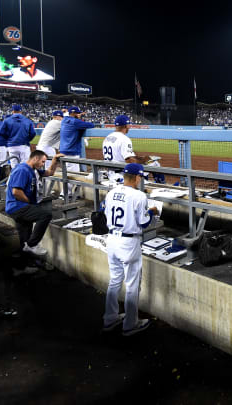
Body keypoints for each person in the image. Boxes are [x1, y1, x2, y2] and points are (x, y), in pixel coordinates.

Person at [102, 163, 159, 336]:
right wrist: (152, 211)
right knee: (132, 285)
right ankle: (130, 324)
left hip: (111, 240)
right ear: (137, 178)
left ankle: (110, 318)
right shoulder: (139, 195)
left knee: (114, 281)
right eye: (141, 177)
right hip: (128, 243)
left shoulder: (111, 192)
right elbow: (143, 222)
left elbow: (101, 211)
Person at [5, 150, 64, 256]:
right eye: (42, 162)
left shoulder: (33, 170)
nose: (43, 164)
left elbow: (49, 172)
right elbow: (16, 192)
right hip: (17, 207)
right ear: (35, 158)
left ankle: (22, 267)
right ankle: (32, 245)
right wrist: (29, 202)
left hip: (20, 207)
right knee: (45, 216)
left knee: (24, 241)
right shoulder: (22, 170)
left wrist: (54, 161)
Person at [60, 106, 95, 197]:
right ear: (74, 114)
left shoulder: (64, 120)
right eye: (78, 113)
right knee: (72, 175)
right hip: (72, 151)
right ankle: (64, 194)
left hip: (64, 150)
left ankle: (68, 193)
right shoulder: (75, 122)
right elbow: (91, 125)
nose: (79, 115)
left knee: (67, 173)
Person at [0, 104, 37, 168]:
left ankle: (14, 177)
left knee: (14, 166)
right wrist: (27, 140)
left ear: (13, 111)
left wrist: (8, 140)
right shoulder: (27, 120)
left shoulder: (7, 120)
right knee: (25, 166)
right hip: (24, 146)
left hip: (11, 146)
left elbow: (1, 133)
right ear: (21, 111)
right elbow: (33, 133)